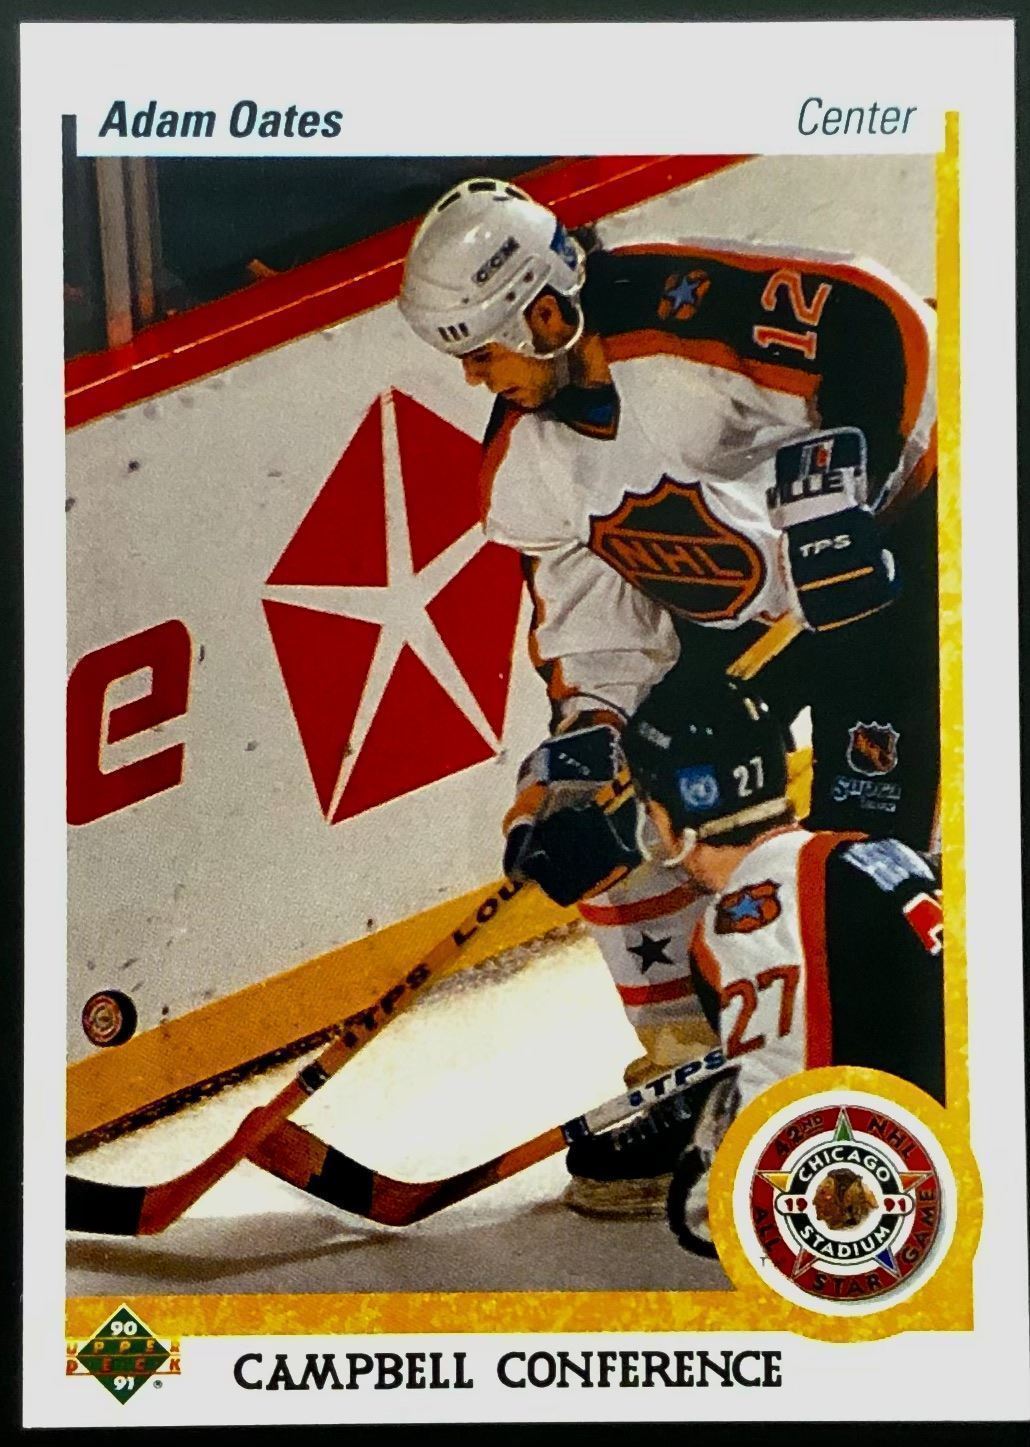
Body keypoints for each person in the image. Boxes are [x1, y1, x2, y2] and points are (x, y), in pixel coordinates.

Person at [398, 176, 940, 1206]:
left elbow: (884, 321)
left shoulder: (687, 312)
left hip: (897, 584)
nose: (473, 378)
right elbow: (596, 640)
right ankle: (700, 1075)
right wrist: (577, 765)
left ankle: (884, 1095)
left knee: (867, 857)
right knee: (618, 797)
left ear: (545, 316)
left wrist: (852, 497)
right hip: (757, 631)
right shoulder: (526, 464)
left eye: (483, 351)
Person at [569, 671, 942, 1240]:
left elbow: (800, 1132)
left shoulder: (743, 922)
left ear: (664, 815)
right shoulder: (876, 850)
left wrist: (720, 1190)